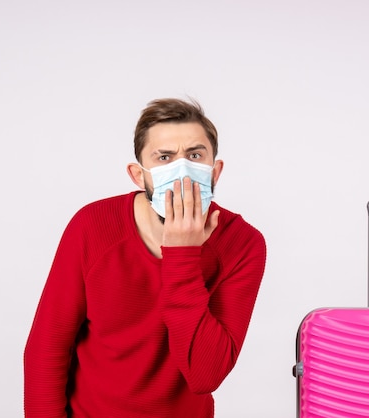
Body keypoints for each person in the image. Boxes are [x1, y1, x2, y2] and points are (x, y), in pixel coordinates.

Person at [24, 98, 267, 417]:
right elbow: (47, 349)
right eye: (164, 157)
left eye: (194, 155)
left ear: (215, 171)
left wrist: (182, 255)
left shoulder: (242, 243)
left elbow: (205, 376)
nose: (181, 169)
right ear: (139, 176)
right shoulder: (92, 226)